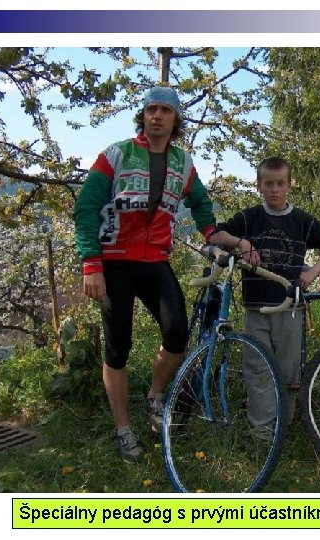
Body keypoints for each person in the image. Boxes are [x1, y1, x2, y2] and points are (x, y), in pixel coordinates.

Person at [74, 86, 216, 463]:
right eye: (151, 109)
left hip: (154, 260)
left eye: (165, 111)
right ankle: (124, 429)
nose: (157, 116)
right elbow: (86, 207)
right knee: (117, 348)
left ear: (175, 119)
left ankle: (154, 395)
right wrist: (91, 264)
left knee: (177, 333)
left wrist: (213, 235)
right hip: (114, 262)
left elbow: (201, 204)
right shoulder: (117, 154)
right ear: (143, 115)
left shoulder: (182, 162)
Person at [208, 157, 320, 438]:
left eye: (280, 183)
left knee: (288, 369)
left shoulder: (302, 221)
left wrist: (312, 272)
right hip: (257, 306)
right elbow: (216, 236)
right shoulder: (251, 217)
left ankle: (283, 425)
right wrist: (242, 242)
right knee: (257, 366)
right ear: (259, 186)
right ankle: (262, 429)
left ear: (290, 185)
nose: (275, 189)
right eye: (268, 183)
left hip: (290, 306)